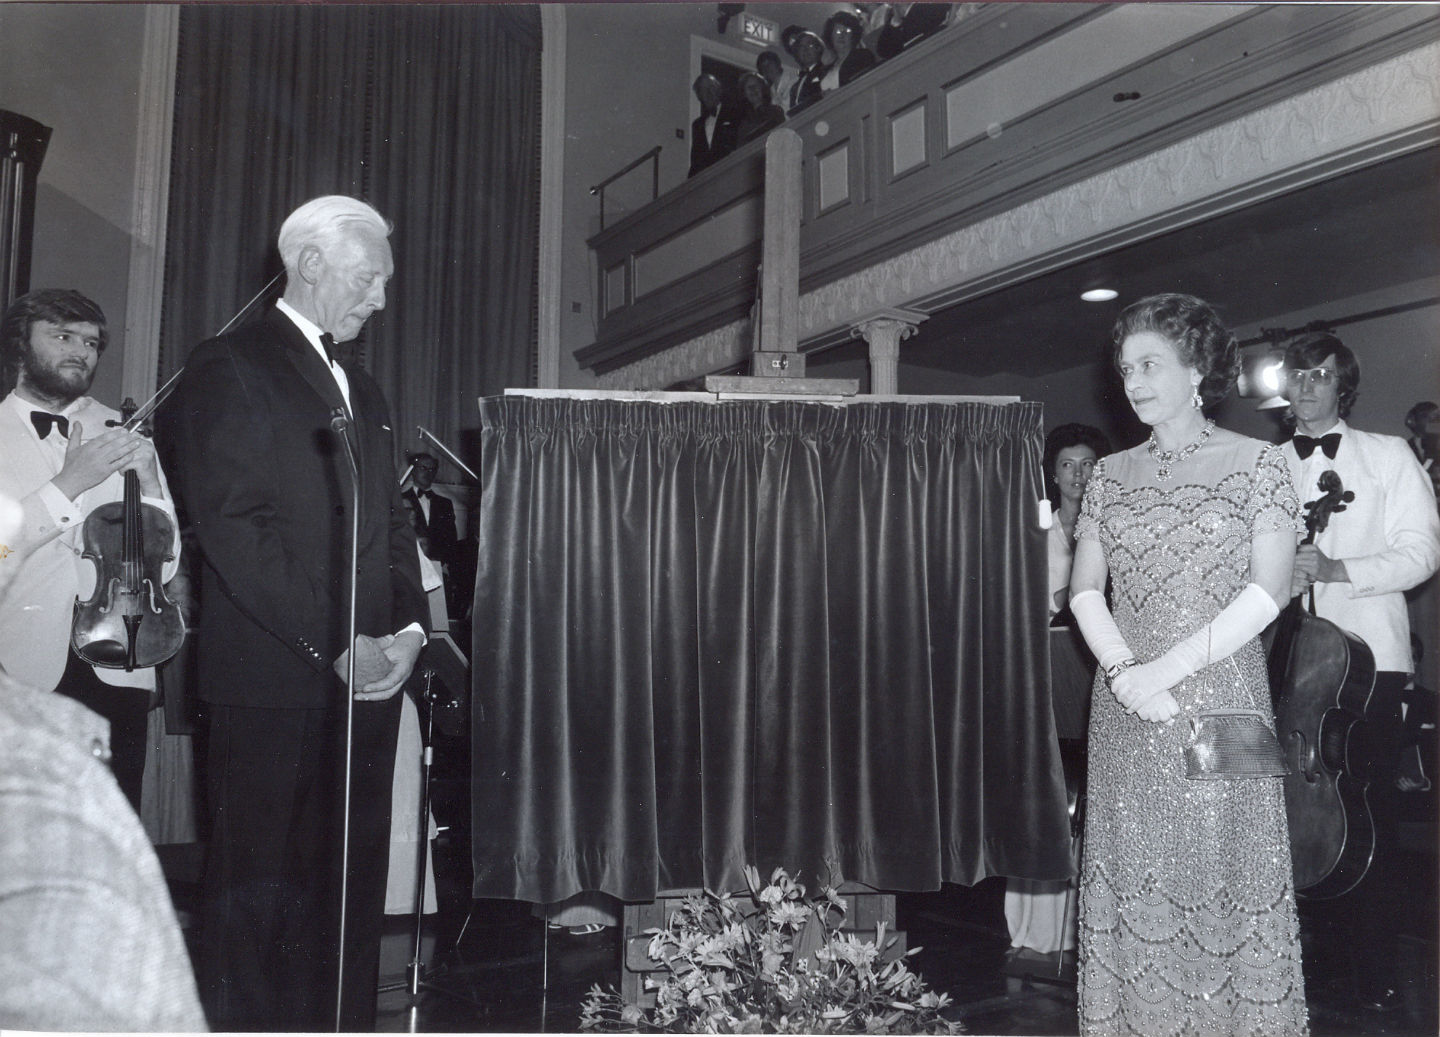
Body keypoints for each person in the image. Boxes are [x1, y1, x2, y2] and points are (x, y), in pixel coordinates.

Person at [167, 195, 428, 1031]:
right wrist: (337, 640)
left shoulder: (369, 386)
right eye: (368, 278)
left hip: (368, 684)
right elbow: (238, 531)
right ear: (310, 264)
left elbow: (393, 528)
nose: (380, 298)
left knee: (346, 897)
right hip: (277, 682)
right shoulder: (230, 363)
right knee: (256, 909)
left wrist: (412, 633)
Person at [1069, 294, 1308, 1034]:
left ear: (1197, 368)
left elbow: (1269, 589)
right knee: (1138, 876)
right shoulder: (1108, 476)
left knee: (1226, 871)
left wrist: (1161, 671)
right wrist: (1122, 670)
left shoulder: (1259, 463)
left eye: (1150, 364)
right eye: (1125, 367)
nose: (1133, 380)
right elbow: (1083, 590)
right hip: (1126, 705)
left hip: (1224, 697)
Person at [0, 488, 207, 1032]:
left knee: (118, 817)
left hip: (122, 634)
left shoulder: (127, 442)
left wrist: (145, 482)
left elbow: (170, 548)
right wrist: (69, 482)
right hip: (24, 647)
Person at [1278, 332, 1440, 1012]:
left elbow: (1421, 552)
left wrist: (1342, 569)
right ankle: (1291, 965)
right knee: (1283, 805)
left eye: (1322, 374)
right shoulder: (1260, 465)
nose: (1309, 384)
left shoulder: (1386, 454)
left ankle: (1375, 971)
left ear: (1342, 385)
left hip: (1368, 661)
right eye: (1299, 373)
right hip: (1286, 656)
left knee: (1363, 806)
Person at [0, 289, 180, 813]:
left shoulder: (123, 429)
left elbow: (164, 567)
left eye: (91, 343)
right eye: (62, 337)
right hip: (19, 662)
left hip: (119, 652)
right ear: (19, 345)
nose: (81, 351)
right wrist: (70, 483)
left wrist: (148, 481)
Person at [1004, 422, 1109, 966]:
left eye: (1089, 464)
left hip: (1098, 668)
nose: (1078, 475)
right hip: (1049, 665)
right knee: (1049, 790)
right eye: (1068, 464)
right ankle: (1039, 929)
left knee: (1096, 792)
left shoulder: (1114, 526)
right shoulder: (1035, 527)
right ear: (1053, 472)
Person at [403, 450, 461, 615]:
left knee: (438, 616)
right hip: (411, 567)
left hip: (437, 569)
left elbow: (452, 539)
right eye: (423, 468)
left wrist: (448, 569)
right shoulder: (401, 500)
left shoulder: (445, 504)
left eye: (432, 469)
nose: (428, 473)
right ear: (412, 470)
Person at [687, 73, 738, 178]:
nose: (709, 93)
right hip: (706, 180)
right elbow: (695, 159)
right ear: (699, 97)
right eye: (703, 90)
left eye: (711, 87)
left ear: (719, 90)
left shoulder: (734, 113)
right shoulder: (697, 125)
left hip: (729, 173)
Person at [821, 10, 878, 91]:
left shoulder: (862, 56)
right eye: (838, 31)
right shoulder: (826, 69)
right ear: (830, 36)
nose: (842, 35)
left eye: (847, 31)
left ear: (853, 35)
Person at [874, 2, 951, 61]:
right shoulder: (893, 19)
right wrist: (894, 23)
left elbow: (913, 34)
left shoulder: (930, 6)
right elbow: (883, 51)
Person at [781, 25, 829, 114]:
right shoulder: (795, 86)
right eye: (801, 47)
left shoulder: (826, 72)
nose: (805, 50)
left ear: (818, 48)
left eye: (810, 45)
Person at [734, 72, 786, 147]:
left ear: (762, 88)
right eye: (749, 87)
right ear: (744, 94)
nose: (753, 90)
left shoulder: (776, 111)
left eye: (755, 86)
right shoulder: (744, 125)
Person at [755, 50, 794, 126]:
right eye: (763, 67)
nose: (767, 68)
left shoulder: (793, 80)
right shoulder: (771, 92)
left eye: (770, 64)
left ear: (778, 63)